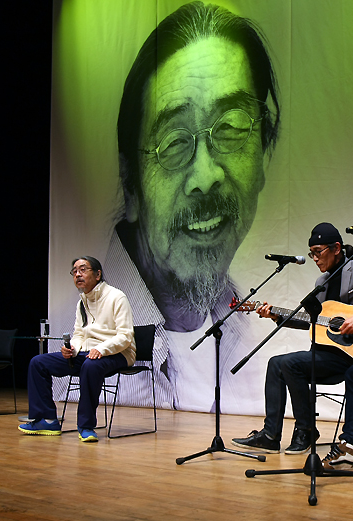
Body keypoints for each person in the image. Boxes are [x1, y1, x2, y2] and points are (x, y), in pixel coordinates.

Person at [100, 1, 282, 413]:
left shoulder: (246, 326)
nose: (206, 175)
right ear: (131, 185)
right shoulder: (97, 322)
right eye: (175, 142)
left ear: (264, 152)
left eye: (233, 127)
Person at [231, 222, 353, 456]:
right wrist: (274, 314)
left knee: (289, 364)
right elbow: (313, 321)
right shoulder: (320, 284)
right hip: (328, 355)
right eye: (311, 253)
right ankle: (270, 435)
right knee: (276, 362)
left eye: (318, 252)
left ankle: (305, 429)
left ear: (336, 248)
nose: (314, 258)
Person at [19, 257, 136, 443]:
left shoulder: (116, 297)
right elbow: (79, 334)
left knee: (90, 366)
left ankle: (86, 426)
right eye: (74, 271)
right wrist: (72, 349)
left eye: (83, 269)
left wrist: (102, 349)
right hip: (87, 354)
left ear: (98, 275)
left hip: (118, 353)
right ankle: (47, 420)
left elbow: (125, 336)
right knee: (38, 362)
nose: (77, 274)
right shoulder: (82, 302)